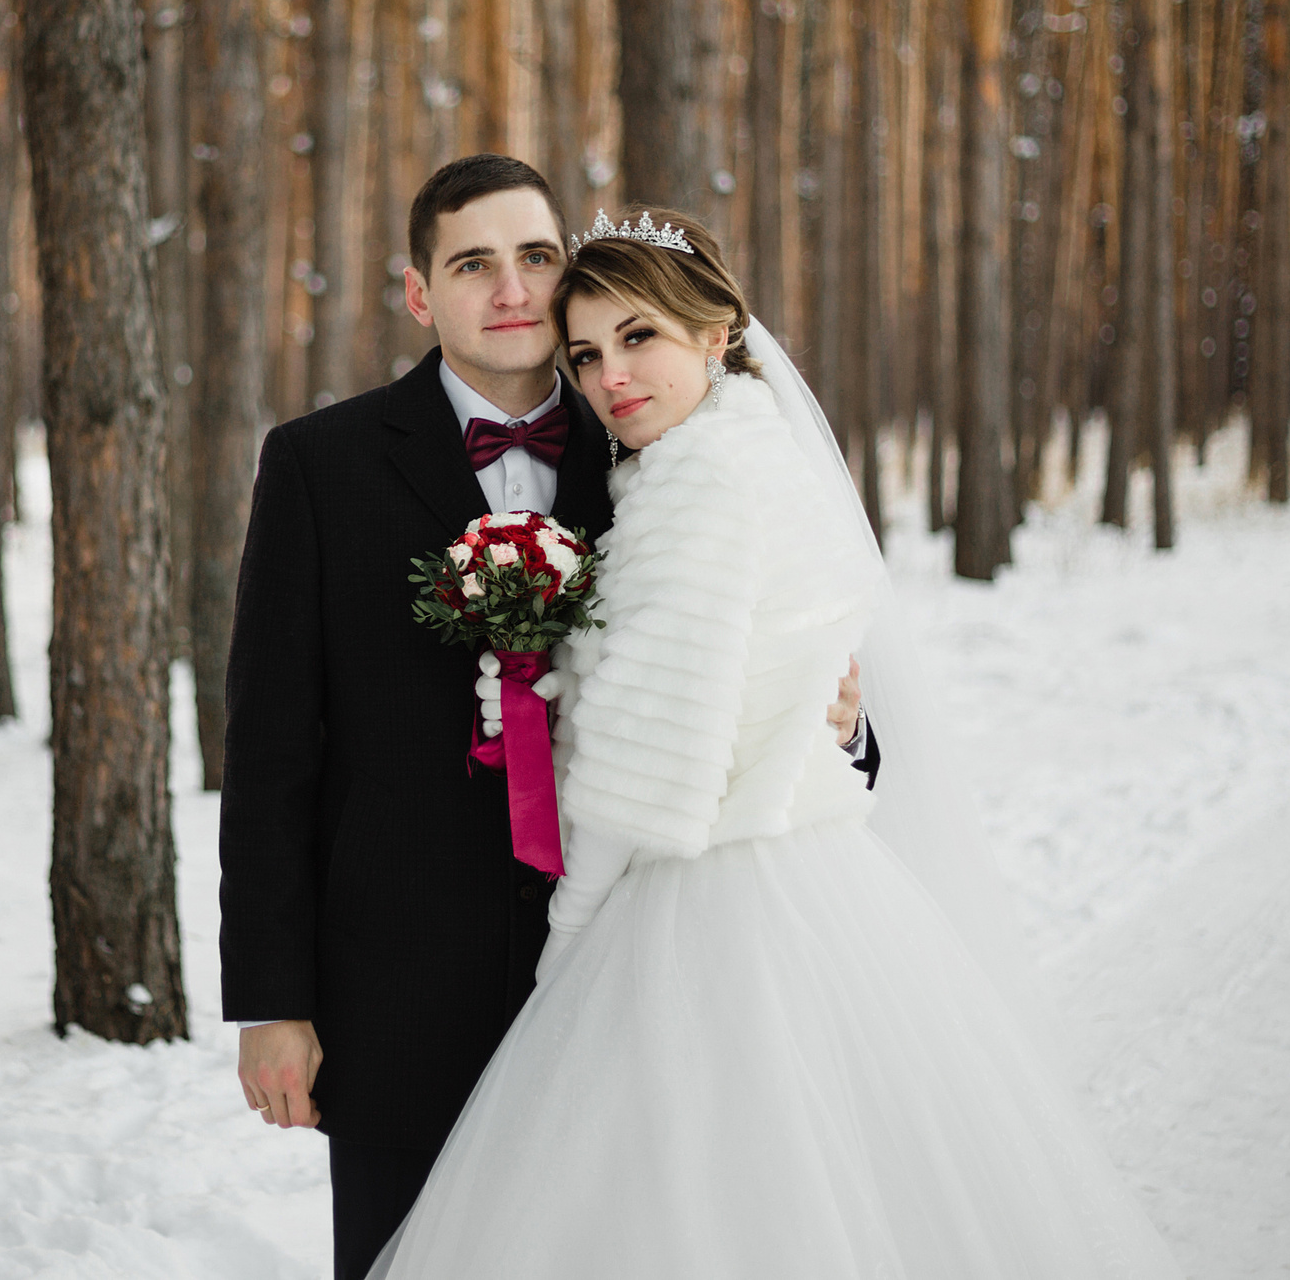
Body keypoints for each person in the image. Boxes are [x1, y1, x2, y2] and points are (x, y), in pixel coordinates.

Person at [364, 208, 1185, 1280]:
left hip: (707, 900)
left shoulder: (695, 489)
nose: (612, 376)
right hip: (813, 874)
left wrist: (565, 942)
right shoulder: (741, 453)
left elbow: (656, 757)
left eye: (639, 338)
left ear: (714, 332)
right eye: (588, 354)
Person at [218, 161, 869, 1280]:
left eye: (535, 257)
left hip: (630, 983)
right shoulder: (319, 466)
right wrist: (271, 1001)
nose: (512, 289)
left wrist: (840, 723)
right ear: (420, 294)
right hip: (399, 991)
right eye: (472, 263)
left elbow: (785, 655)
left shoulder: (658, 441)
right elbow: (272, 750)